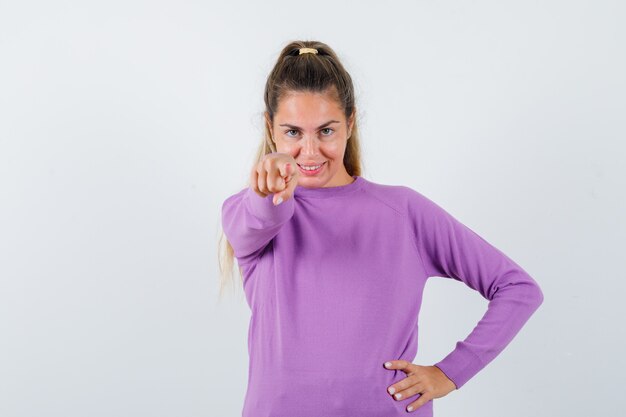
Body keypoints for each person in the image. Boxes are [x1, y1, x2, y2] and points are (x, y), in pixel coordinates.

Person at [218, 40, 544, 417]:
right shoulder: (248, 212)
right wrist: (269, 188)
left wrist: (449, 373)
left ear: (350, 122)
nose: (309, 152)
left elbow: (517, 289)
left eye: (326, 131)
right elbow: (260, 220)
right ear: (270, 128)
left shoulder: (402, 212)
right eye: (293, 132)